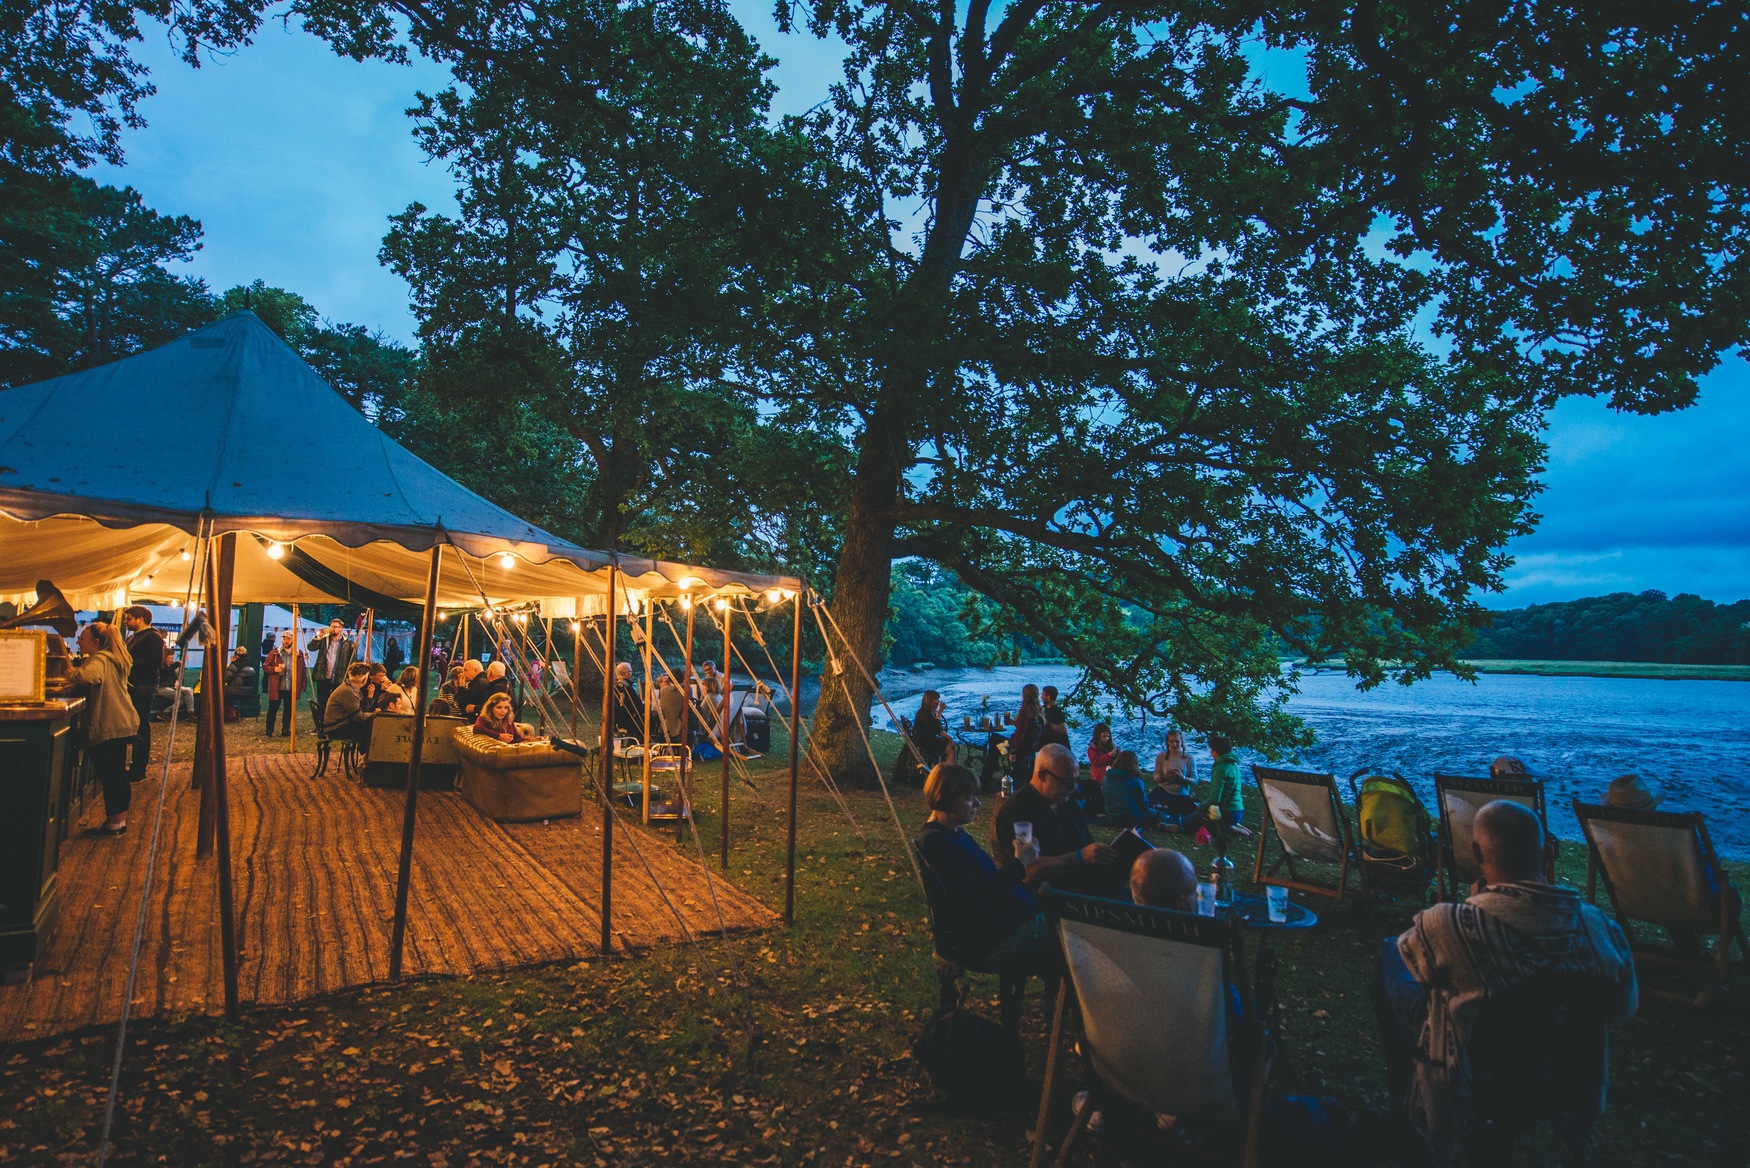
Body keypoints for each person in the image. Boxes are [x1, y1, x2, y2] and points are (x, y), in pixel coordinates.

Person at [1371, 800, 1637, 1166]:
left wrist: (1478, 901)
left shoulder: (1451, 925)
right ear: (1546, 854)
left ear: (1477, 852)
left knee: (1391, 953)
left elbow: (1418, 968)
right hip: (1560, 1075)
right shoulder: (1598, 928)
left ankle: (1404, 1096)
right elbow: (1624, 1006)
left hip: (1483, 1076)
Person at [916, 764, 1056, 976]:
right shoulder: (937, 843)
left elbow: (989, 878)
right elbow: (976, 897)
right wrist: (1020, 864)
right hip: (993, 938)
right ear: (948, 797)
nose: (978, 803)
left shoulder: (954, 833)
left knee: (1073, 926)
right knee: (1074, 941)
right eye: (969, 798)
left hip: (1010, 921)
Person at [1601, 773, 1742, 957]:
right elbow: (1709, 881)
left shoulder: (1608, 837)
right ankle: (1705, 961)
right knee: (1729, 899)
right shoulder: (1677, 838)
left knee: (1670, 895)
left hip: (1638, 903)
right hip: (1687, 907)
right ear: (1651, 805)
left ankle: (1689, 952)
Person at [991, 743, 1121, 897]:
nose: (1073, 788)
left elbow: (1085, 843)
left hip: (1085, 888)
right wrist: (1081, 857)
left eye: (1076, 781)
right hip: (1049, 897)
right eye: (1066, 781)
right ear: (1042, 775)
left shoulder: (1066, 802)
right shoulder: (1018, 811)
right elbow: (1028, 871)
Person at [68, 620, 139, 837]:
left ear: (96, 642)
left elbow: (87, 676)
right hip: (123, 721)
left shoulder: (99, 659)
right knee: (118, 774)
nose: (78, 641)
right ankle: (120, 822)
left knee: (110, 777)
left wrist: (69, 670)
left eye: (82, 637)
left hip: (108, 723)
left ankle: (113, 826)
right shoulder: (116, 658)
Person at [120, 605, 163, 783]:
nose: (126, 622)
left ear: (141, 619)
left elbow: (155, 662)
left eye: (129, 618)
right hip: (134, 686)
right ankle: (134, 765)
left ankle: (139, 768)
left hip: (142, 686)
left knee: (140, 727)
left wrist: (128, 662)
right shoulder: (133, 637)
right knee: (135, 726)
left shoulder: (152, 636)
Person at [1178, 734, 1244, 837]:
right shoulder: (1234, 765)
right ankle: (1231, 824)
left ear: (1215, 752)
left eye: (1212, 750)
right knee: (1199, 806)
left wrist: (1202, 807)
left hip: (1226, 812)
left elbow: (1215, 799)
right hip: (1238, 810)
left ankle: (1227, 827)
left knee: (1188, 821)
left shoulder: (1220, 769)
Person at [1102, 750, 1166, 830]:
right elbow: (1144, 804)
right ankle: (1161, 824)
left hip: (1112, 816)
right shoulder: (1135, 781)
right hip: (1131, 817)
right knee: (1159, 813)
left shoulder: (1107, 778)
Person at [322, 662, 378, 750]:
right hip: (336, 728)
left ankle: (367, 756)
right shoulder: (348, 692)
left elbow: (362, 711)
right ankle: (367, 757)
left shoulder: (351, 688)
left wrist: (369, 698)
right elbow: (358, 717)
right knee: (370, 730)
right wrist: (374, 714)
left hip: (342, 724)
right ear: (364, 679)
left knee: (369, 726)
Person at [308, 619, 356, 715]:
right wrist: (319, 636)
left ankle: (334, 722)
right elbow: (311, 647)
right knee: (322, 701)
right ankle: (322, 723)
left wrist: (349, 678)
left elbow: (352, 662)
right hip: (324, 676)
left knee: (337, 702)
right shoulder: (324, 640)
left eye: (335, 627)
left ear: (341, 629)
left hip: (339, 677)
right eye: (331, 626)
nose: (332, 629)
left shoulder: (348, 643)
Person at [263, 630, 304, 737]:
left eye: (288, 639)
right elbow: (265, 666)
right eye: (284, 639)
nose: (286, 641)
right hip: (277, 686)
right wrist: (274, 669)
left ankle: (286, 728)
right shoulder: (275, 653)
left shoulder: (298, 653)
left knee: (288, 709)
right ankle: (269, 729)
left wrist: (302, 684)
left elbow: (302, 669)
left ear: (293, 640)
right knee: (273, 708)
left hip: (291, 686)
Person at [1150, 729, 1199, 817]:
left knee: (1193, 806)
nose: (1174, 744)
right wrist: (1164, 778)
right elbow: (1155, 775)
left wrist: (1182, 778)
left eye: (1177, 741)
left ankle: (1166, 808)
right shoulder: (1161, 757)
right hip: (1164, 792)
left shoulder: (1189, 758)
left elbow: (1195, 780)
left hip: (1181, 795)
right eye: (1171, 741)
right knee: (1147, 801)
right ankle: (1168, 808)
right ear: (1168, 742)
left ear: (1181, 742)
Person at [1006, 683, 1046, 783]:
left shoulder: (1025, 710)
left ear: (1024, 695)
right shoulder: (1038, 710)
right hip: (1031, 746)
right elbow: (1028, 728)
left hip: (1021, 747)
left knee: (995, 740)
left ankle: (986, 778)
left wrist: (1013, 750)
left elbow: (1020, 733)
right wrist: (1014, 722)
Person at [155, 644, 194, 720]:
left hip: (172, 686)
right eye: (170, 655)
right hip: (163, 688)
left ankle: (191, 712)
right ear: (165, 656)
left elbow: (176, 678)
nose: (172, 657)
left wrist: (177, 683)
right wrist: (178, 663)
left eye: (173, 655)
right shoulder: (160, 666)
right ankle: (165, 712)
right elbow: (166, 672)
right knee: (182, 698)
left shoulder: (171, 666)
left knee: (189, 690)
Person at [222, 646, 257, 720]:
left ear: (236, 656)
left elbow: (227, 678)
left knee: (223, 691)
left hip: (235, 691)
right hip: (248, 691)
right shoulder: (250, 665)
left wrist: (231, 663)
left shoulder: (234, 665)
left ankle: (227, 713)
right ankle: (234, 711)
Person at [612, 660, 643, 741]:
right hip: (626, 722)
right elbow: (638, 706)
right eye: (631, 671)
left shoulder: (611, 685)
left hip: (613, 721)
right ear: (626, 673)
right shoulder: (626, 687)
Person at [658, 674, 687, 744]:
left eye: (669, 681)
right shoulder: (686, 688)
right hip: (681, 726)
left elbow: (663, 709)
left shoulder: (666, 691)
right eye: (666, 681)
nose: (668, 683)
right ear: (660, 683)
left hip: (669, 727)